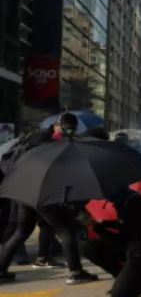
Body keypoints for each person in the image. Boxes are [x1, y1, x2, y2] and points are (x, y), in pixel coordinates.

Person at [0, 113, 98, 285]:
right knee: (64, 230)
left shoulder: (43, 138)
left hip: (26, 189)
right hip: (39, 190)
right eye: (67, 129)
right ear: (58, 124)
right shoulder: (43, 140)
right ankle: (76, 272)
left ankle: (1, 270)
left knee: (21, 232)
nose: (68, 133)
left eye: (72, 131)